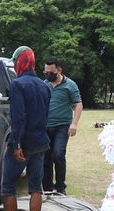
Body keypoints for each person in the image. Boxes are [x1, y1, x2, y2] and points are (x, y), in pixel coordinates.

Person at [0, 46, 51, 211]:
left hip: (22, 143)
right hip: (41, 142)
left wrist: (16, 144)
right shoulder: (44, 85)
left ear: (19, 62)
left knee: (8, 186)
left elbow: (19, 117)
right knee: (36, 187)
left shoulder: (18, 84)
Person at [42, 57, 83, 195]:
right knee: (45, 157)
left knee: (58, 154)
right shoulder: (44, 85)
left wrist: (74, 124)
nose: (48, 74)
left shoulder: (70, 85)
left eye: (51, 72)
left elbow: (78, 103)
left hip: (62, 126)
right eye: (46, 72)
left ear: (59, 70)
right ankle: (47, 188)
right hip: (45, 126)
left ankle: (60, 188)